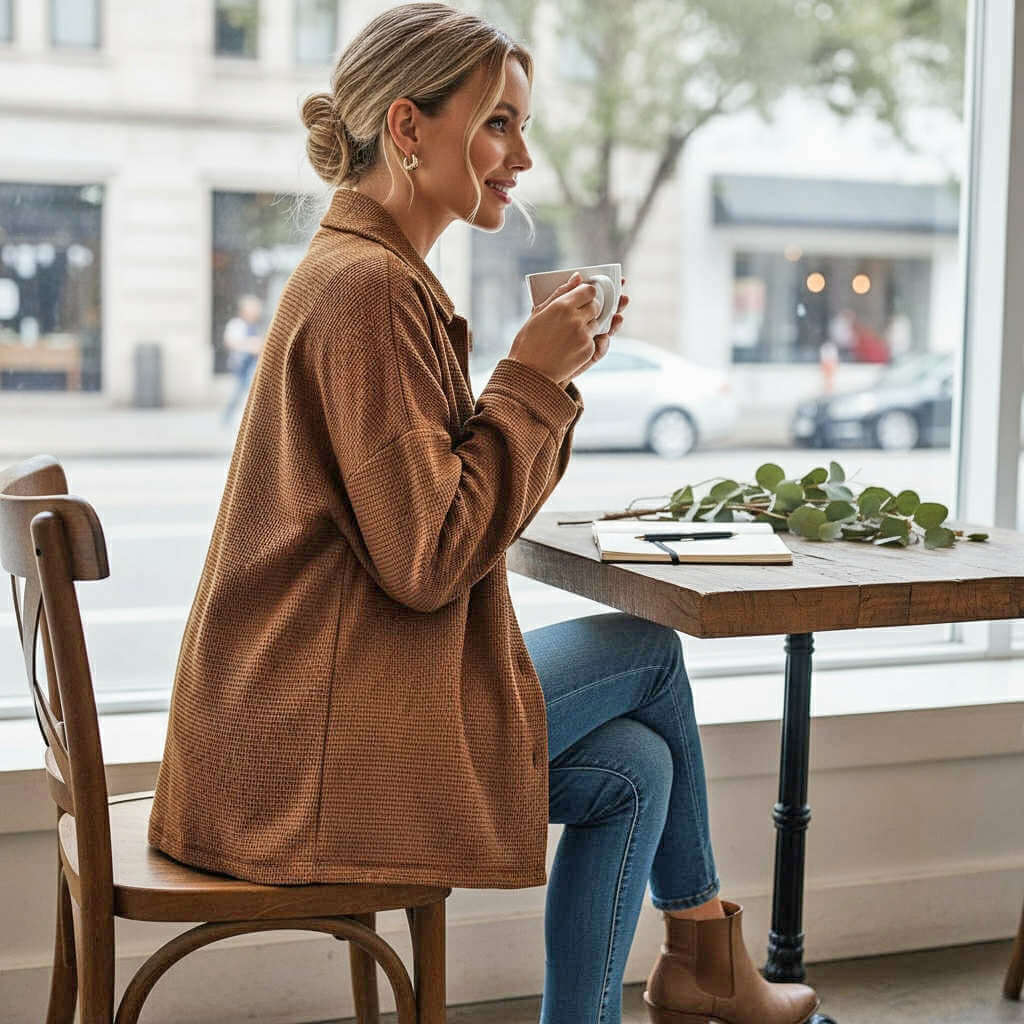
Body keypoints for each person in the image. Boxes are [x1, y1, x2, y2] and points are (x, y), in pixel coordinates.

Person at [146, 5, 819, 1023]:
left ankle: (655, 987)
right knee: (649, 650)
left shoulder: (372, 276)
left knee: (634, 768)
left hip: (292, 721)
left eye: (522, 126)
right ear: (407, 128)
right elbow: (430, 559)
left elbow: (448, 518)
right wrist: (528, 383)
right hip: (302, 749)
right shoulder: (368, 292)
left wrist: (548, 380)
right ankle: (706, 962)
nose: (523, 157)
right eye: (498, 123)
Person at [221, 293, 265, 424]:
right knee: (237, 393)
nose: (256, 313)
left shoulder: (255, 326)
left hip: (252, 365)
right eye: (253, 309)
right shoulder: (237, 324)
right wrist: (249, 345)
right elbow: (230, 342)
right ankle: (228, 419)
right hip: (241, 365)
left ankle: (244, 419)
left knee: (248, 393)